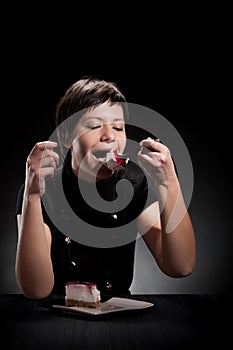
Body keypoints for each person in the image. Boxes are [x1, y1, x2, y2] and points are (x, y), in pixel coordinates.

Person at [15, 76, 196, 300]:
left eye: (119, 127)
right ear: (66, 136)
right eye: (94, 125)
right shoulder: (42, 187)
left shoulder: (134, 185)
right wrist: (32, 196)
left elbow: (181, 266)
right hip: (56, 320)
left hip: (118, 317)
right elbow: (36, 289)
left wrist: (169, 181)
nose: (110, 135)